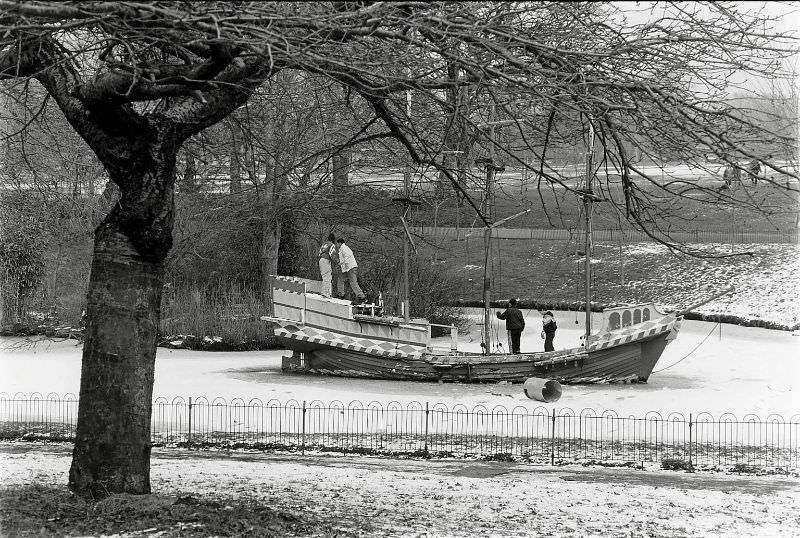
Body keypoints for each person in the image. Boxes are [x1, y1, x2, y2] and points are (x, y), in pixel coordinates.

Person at [335, 238, 366, 303]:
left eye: (337, 243)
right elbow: (345, 258)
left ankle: (361, 296)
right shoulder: (343, 248)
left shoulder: (344, 248)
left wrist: (346, 265)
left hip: (350, 268)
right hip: (348, 268)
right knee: (340, 279)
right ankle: (341, 294)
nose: (336, 245)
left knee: (353, 282)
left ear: (340, 243)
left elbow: (346, 256)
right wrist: (340, 265)